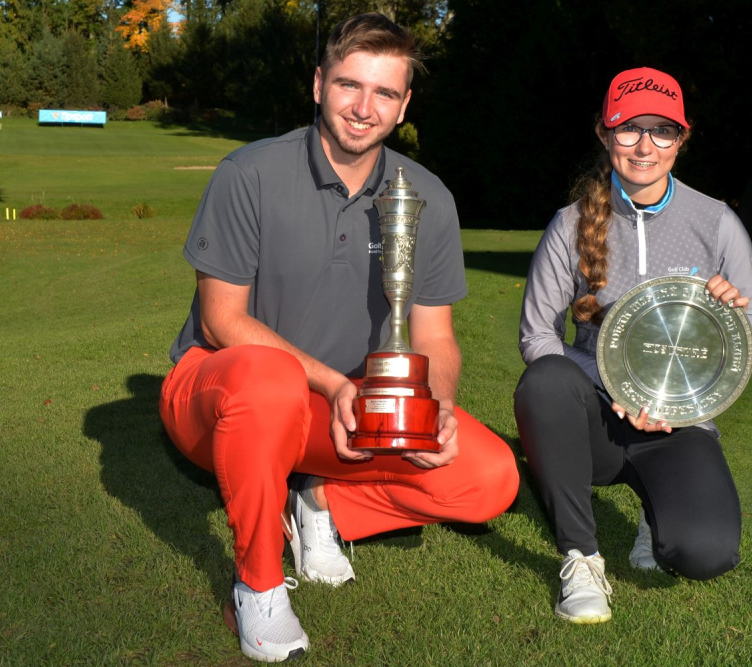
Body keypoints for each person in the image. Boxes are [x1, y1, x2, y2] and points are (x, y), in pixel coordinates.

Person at [159, 13, 519, 662]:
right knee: (268, 381)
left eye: (384, 93)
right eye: (350, 85)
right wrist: (331, 382)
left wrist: (432, 407)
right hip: (220, 397)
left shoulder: (427, 195)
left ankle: (319, 499)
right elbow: (221, 320)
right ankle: (259, 583)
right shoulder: (249, 174)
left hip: (343, 413)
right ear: (318, 84)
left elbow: (435, 334)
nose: (363, 107)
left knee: (489, 479)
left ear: (405, 104)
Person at [513, 67, 752, 624]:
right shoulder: (571, 224)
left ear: (682, 138)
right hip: (600, 420)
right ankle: (581, 558)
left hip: (681, 424)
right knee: (544, 382)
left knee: (705, 553)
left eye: (662, 130)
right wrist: (611, 386)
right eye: (629, 129)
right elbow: (537, 335)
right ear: (606, 135)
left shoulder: (715, 220)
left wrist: (730, 316)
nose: (645, 146)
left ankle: (656, 516)